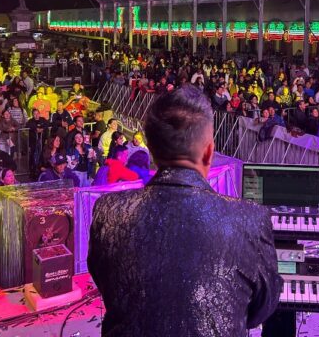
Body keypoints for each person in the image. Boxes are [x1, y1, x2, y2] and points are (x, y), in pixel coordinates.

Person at [87, 85, 281, 336]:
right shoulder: (250, 219)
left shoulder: (109, 212)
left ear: (152, 153)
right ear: (209, 151)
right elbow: (261, 309)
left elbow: (109, 288)